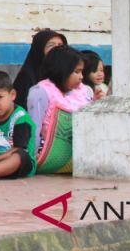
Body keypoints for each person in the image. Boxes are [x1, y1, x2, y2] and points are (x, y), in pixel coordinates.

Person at [25, 45, 92, 173]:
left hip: (81, 156)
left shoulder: (85, 91)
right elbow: (34, 128)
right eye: (76, 72)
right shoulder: (40, 92)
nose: (81, 77)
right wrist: (32, 159)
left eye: (82, 72)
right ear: (62, 70)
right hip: (50, 157)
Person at [11, 29, 68, 108]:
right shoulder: (26, 77)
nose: (57, 50)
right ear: (39, 49)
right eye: (51, 45)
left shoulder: (65, 74)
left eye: (60, 45)